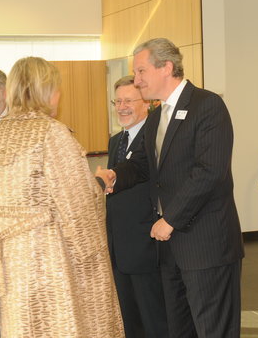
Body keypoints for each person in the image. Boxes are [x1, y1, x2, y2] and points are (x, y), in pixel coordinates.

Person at [0, 56, 124, 337]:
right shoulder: (51, 132)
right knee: (44, 325)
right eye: (56, 89)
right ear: (46, 90)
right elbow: (77, 206)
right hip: (40, 258)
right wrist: (98, 182)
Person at [97, 38, 244, 338]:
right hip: (170, 251)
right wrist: (113, 175)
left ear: (166, 67)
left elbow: (209, 173)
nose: (136, 81)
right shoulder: (156, 117)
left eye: (141, 71)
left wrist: (170, 219)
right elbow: (140, 165)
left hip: (206, 247)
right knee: (179, 330)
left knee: (213, 330)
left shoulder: (207, 105)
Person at [106, 75, 168, 338]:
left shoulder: (155, 138)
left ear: (146, 102)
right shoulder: (116, 140)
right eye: (117, 101)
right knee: (129, 322)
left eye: (128, 100)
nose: (122, 107)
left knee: (154, 321)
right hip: (119, 248)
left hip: (146, 247)